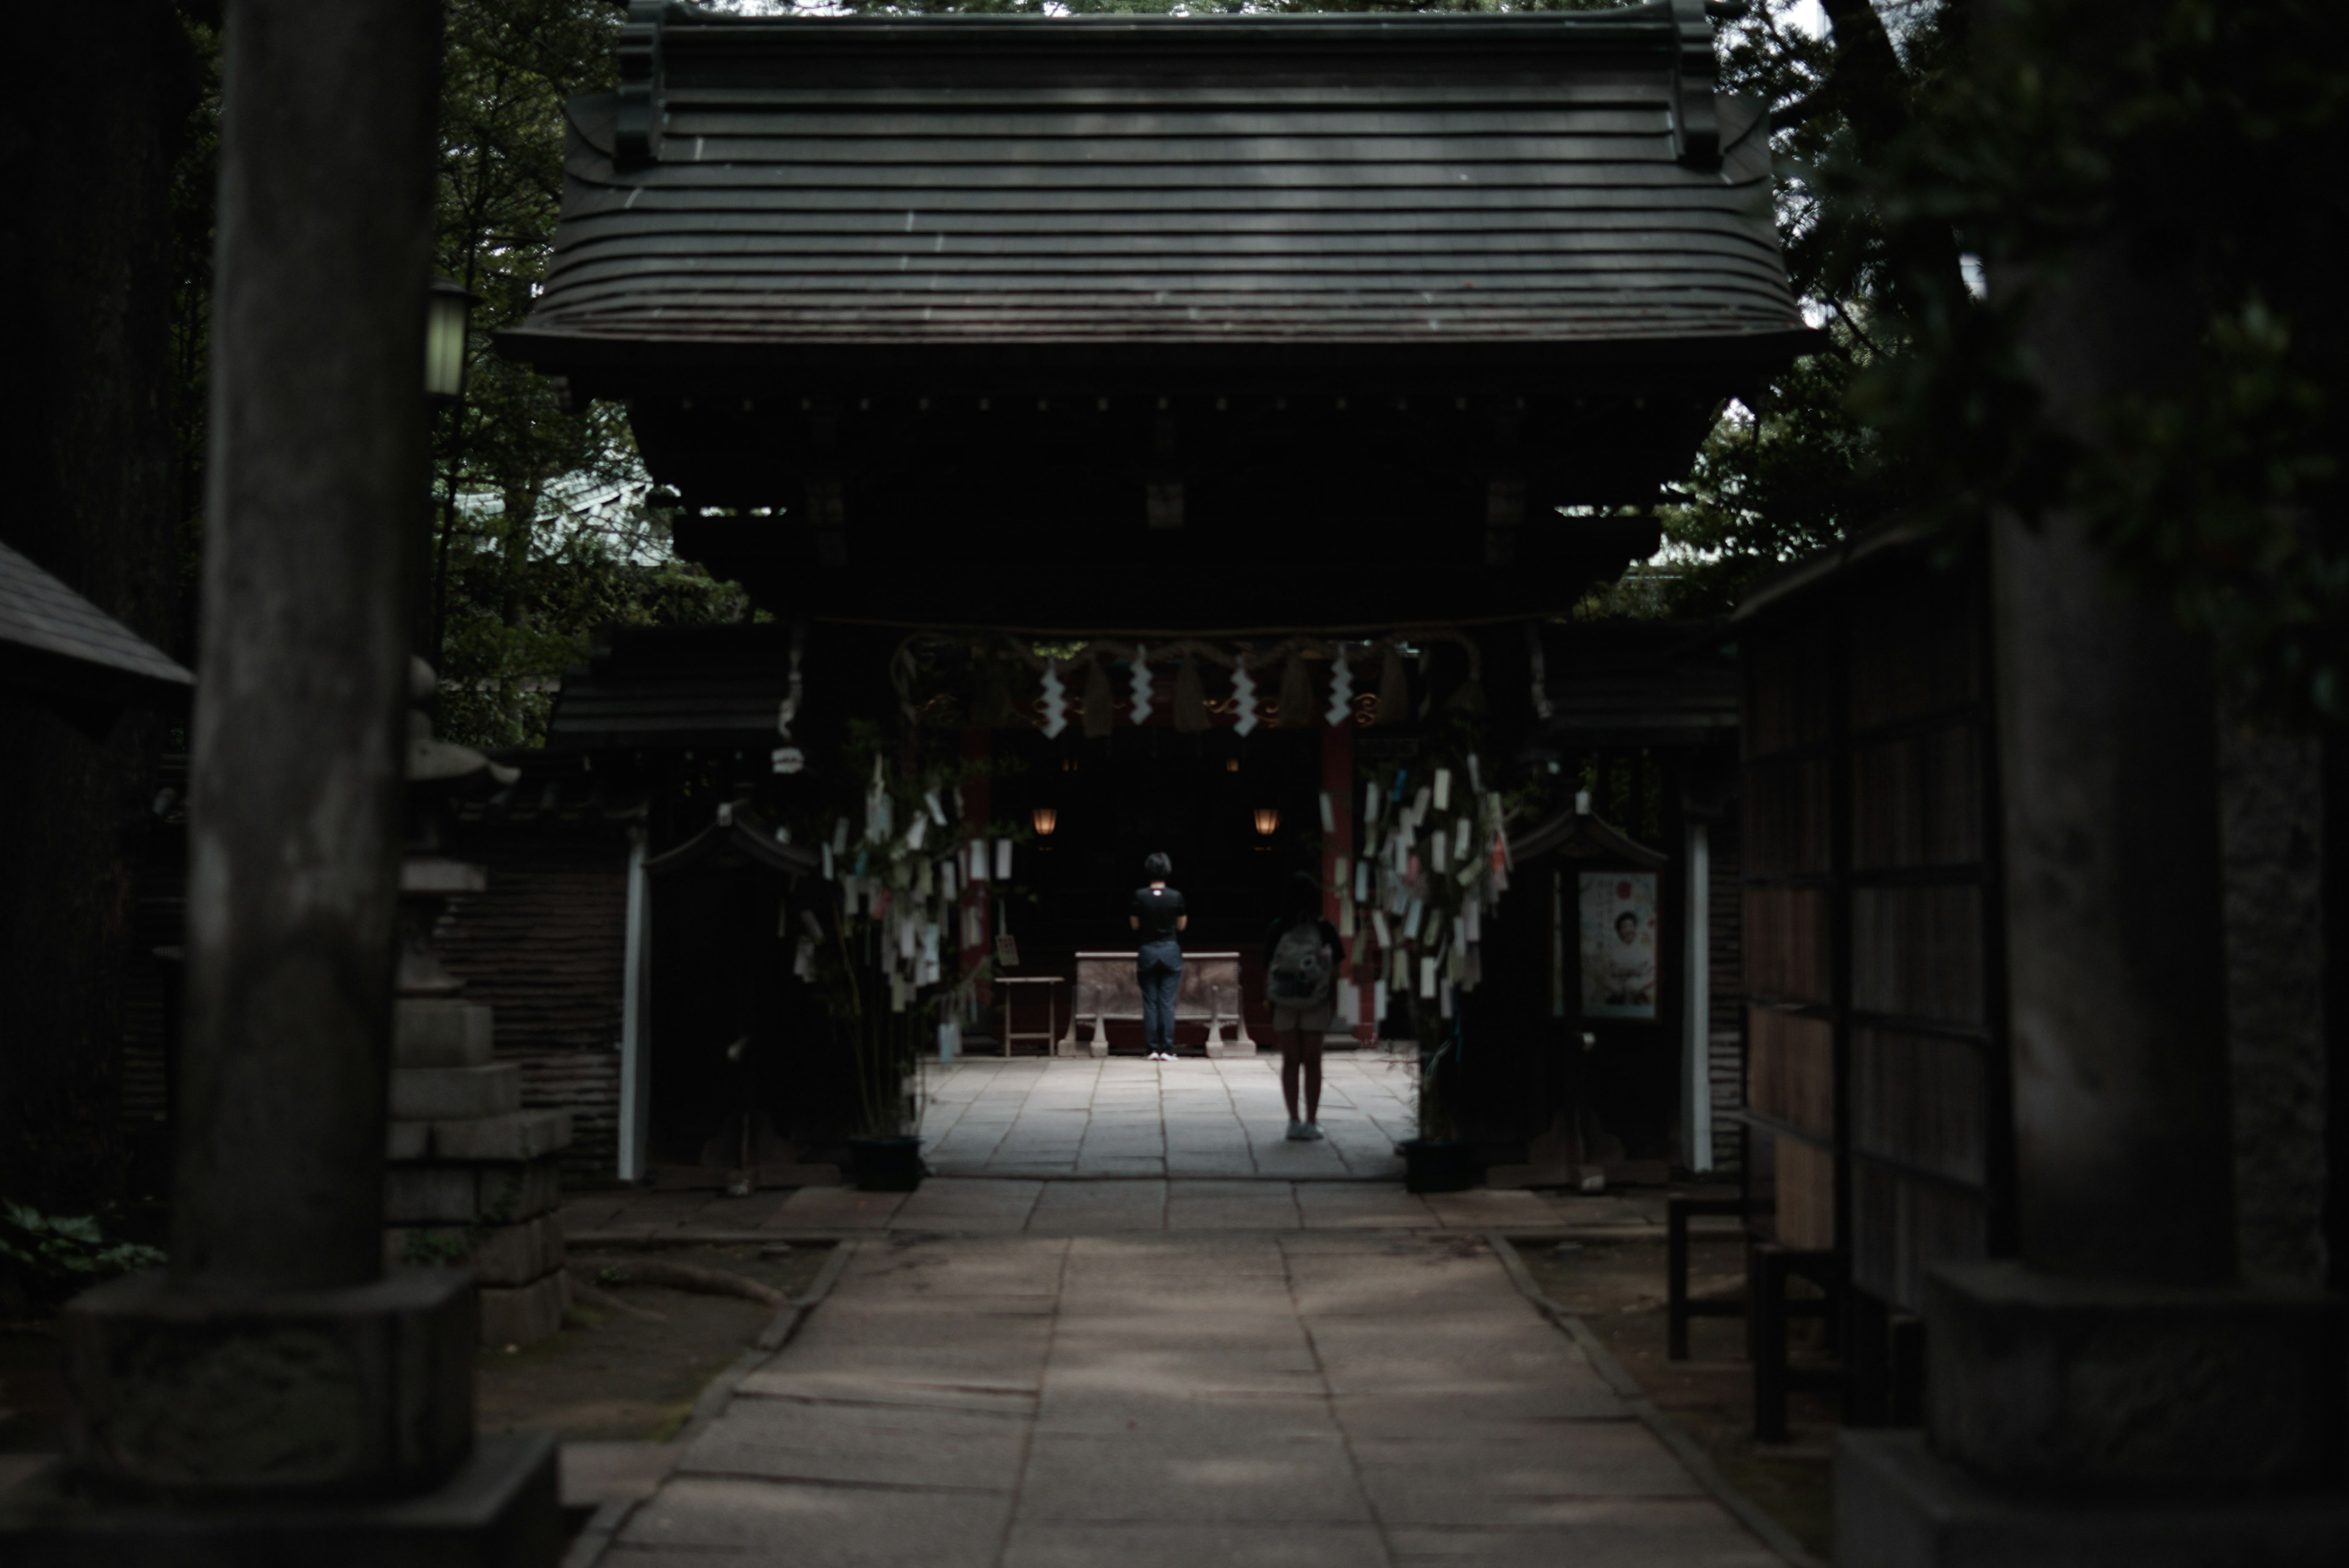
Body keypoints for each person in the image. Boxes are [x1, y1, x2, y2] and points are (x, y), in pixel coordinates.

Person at [1264, 871, 1345, 1140]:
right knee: (1313, 1061)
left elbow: (1267, 965)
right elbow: (1335, 967)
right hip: (1315, 1000)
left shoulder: (1278, 927)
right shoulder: (1324, 929)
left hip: (1284, 1001)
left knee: (1290, 1061)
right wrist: (1332, 1000)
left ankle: (1293, 1121)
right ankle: (1311, 1121)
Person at [1129, 852, 1187, 1062]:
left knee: (1150, 1002)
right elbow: (1181, 926)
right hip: (1170, 950)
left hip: (1148, 950)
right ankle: (1168, 1049)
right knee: (1167, 1002)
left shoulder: (1139, 895)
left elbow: (1134, 925)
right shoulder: (1176, 896)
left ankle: (1152, 1048)